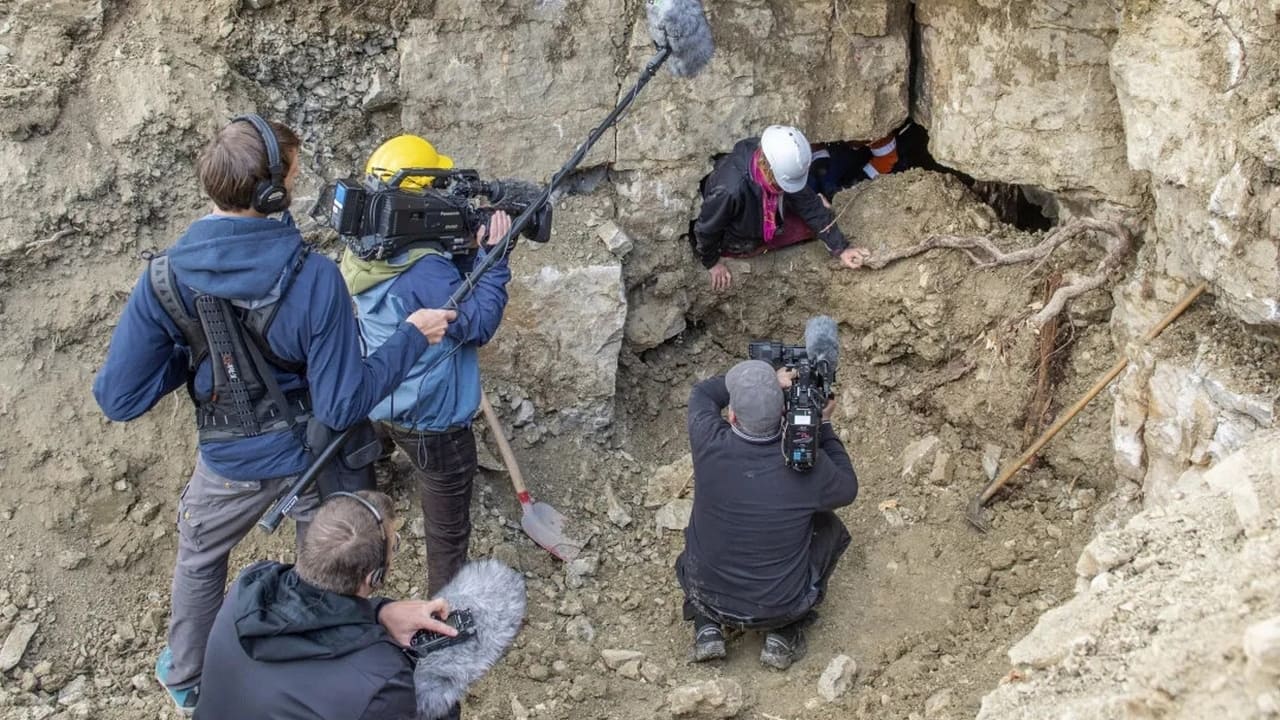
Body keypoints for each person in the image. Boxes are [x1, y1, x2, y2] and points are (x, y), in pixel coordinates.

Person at [92, 116, 456, 715]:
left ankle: (186, 677)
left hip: (229, 458)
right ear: (273, 194)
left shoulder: (163, 278)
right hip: (311, 459)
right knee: (318, 572)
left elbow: (119, 397)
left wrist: (199, 355)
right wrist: (412, 337)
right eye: (292, 173)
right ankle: (313, 681)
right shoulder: (314, 278)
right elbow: (343, 402)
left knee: (202, 558)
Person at [340, 135, 513, 597]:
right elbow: (475, 323)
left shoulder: (364, 248)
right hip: (433, 417)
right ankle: (441, 613)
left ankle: (354, 582)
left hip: (381, 394)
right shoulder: (425, 271)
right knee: (447, 533)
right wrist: (492, 261)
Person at [196, 490, 458, 720]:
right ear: (373, 577)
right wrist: (440, 675)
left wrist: (379, 612)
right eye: (394, 546)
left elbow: (307, 611)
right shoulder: (382, 680)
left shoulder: (252, 585)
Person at [675, 360, 859, 670]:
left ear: (731, 416)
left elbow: (704, 392)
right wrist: (822, 427)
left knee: (708, 529)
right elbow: (848, 489)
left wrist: (769, 380)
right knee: (827, 525)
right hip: (778, 607)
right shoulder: (809, 467)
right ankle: (783, 632)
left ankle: (707, 626)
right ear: (784, 414)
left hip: (704, 593)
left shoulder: (707, 440)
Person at [693, 125, 871, 291]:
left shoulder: (775, 160)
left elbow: (807, 203)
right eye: (785, 183)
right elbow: (706, 229)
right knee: (810, 222)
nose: (788, 187)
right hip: (738, 238)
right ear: (768, 169)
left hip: (761, 210)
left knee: (819, 211)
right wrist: (711, 263)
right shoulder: (730, 190)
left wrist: (841, 248)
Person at [806, 132, 902, 200]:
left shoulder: (880, 134)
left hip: (865, 155)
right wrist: (820, 161)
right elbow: (812, 134)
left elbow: (887, 158)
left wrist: (861, 180)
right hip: (837, 147)